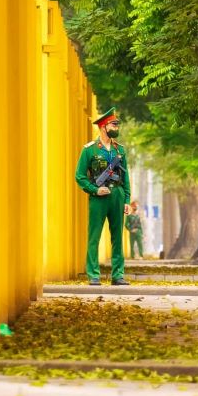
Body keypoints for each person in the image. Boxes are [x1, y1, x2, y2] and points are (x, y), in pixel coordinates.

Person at [74, 107, 130, 285]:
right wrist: (94, 189)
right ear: (103, 127)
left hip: (117, 195)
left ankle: (118, 275)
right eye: (113, 124)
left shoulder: (119, 150)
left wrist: (127, 200)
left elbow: (126, 176)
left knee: (117, 237)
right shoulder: (89, 150)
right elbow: (80, 176)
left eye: (116, 124)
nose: (116, 127)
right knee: (94, 236)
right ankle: (93, 274)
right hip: (99, 198)